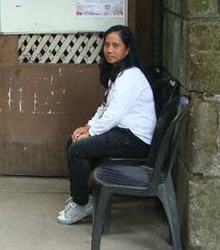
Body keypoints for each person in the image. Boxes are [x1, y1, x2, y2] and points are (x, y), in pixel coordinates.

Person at [57, 25, 156, 225]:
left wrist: (92, 131)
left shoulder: (130, 77)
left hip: (135, 140)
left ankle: (82, 204)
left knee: (77, 149)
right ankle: (83, 197)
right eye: (107, 45)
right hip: (123, 132)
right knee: (73, 141)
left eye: (116, 46)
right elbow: (105, 108)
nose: (109, 50)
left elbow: (114, 115)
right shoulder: (118, 73)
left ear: (127, 50)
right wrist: (87, 127)